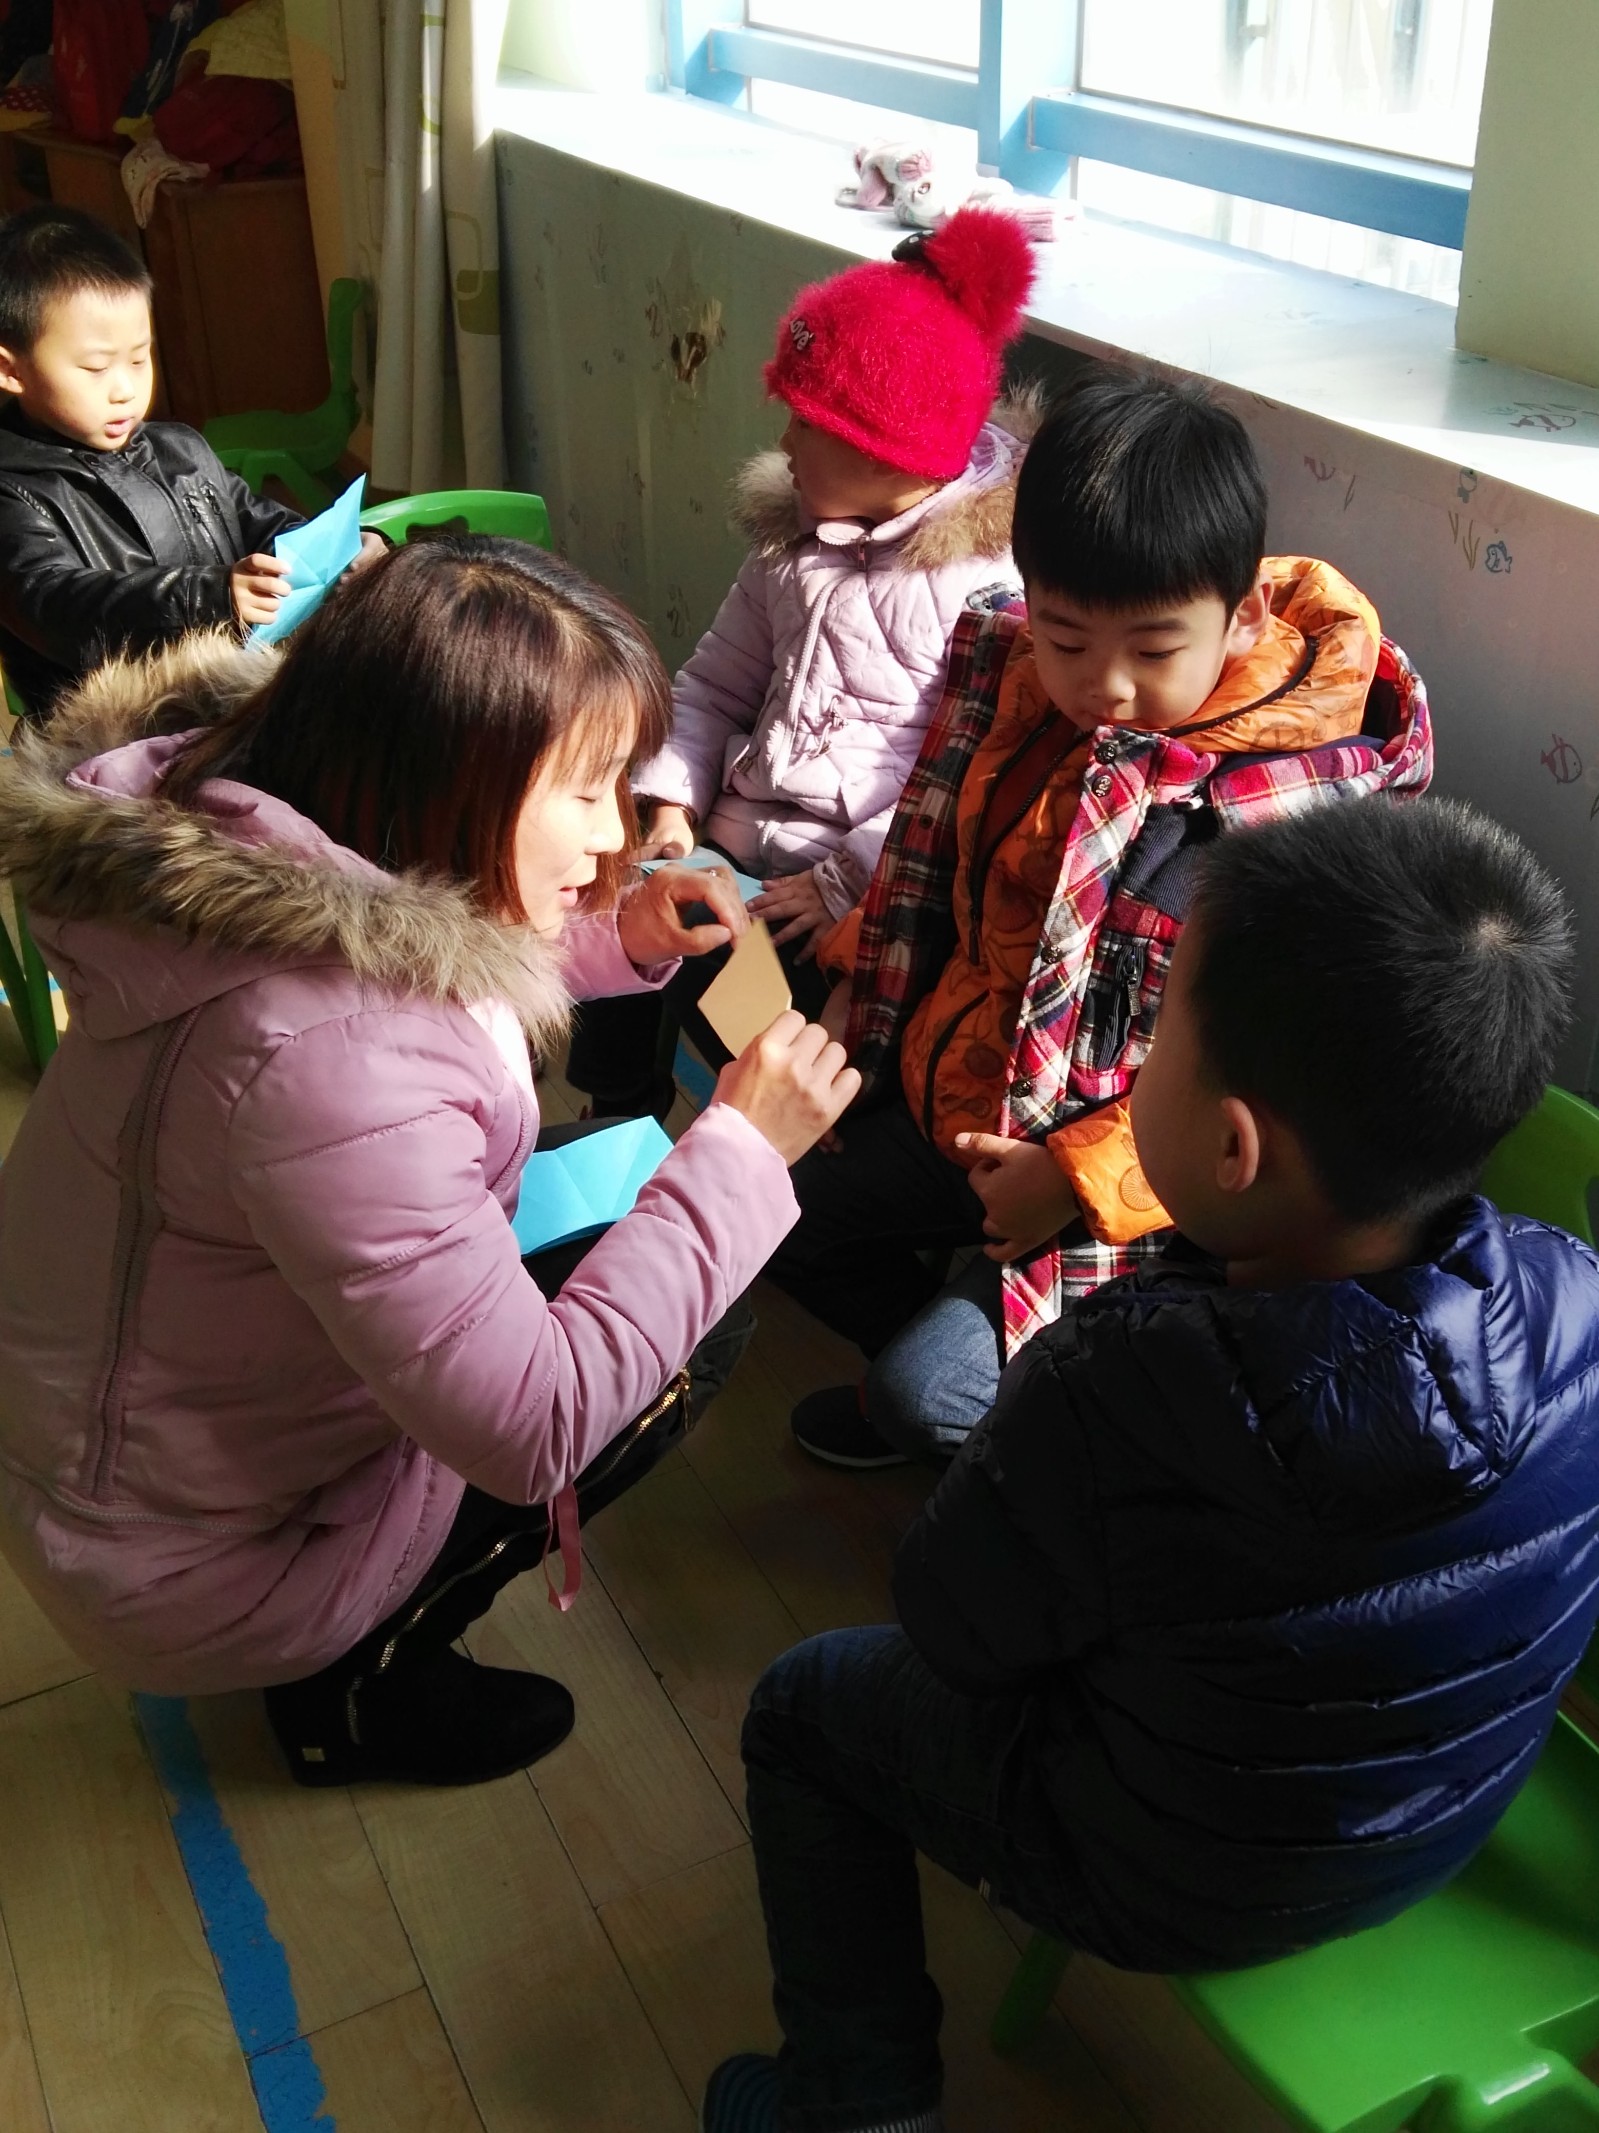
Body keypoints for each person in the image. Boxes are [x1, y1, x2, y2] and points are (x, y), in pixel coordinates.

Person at [702, 796, 1599, 2133]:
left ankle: (853, 2105)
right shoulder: (1575, 1293)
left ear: (1232, 1146)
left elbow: (951, 1627)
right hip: (1445, 1817)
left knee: (803, 1706)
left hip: (1169, 1877)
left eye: (1159, 1037)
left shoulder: (1121, 1383)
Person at [0, 535, 859, 1788]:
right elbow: (534, 1429)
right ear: (446, 780)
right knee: (692, 1317)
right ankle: (356, 1689)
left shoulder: (250, 848)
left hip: (122, 1460)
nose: (615, 837)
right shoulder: (331, 1063)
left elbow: (403, 951)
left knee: (622, 1214)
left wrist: (610, 937)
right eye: (584, 791)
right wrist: (743, 1151)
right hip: (201, 1559)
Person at [768, 366, 1433, 1469]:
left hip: (1130, 1187)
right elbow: (936, 872)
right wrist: (853, 989)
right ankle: (959, 1399)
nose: (1104, 685)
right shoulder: (1011, 677)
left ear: (1244, 615)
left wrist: (1074, 1179)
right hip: (962, 1096)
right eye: (1066, 638)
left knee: (926, 1397)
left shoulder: (1297, 810)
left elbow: (1278, 1093)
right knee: (756, 1202)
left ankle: (1000, 1440)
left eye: (1153, 650)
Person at [564, 206, 1038, 1119]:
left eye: (804, 424)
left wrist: (845, 879)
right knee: (613, 907)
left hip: (843, 886)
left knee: (757, 1011)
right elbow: (712, 686)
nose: (782, 443)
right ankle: (611, 1116)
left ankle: (741, 1152)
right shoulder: (789, 549)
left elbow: (961, 783)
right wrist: (673, 806)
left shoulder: (988, 594)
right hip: (731, 842)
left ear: (882, 449)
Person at [0, 203, 380, 718]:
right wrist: (212, 598)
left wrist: (340, 550)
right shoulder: (14, 490)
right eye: (95, 368)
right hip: (113, 729)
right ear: (11, 370)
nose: (125, 389)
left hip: (227, 695)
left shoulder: (181, 449)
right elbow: (54, 604)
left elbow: (258, 522)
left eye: (139, 358)